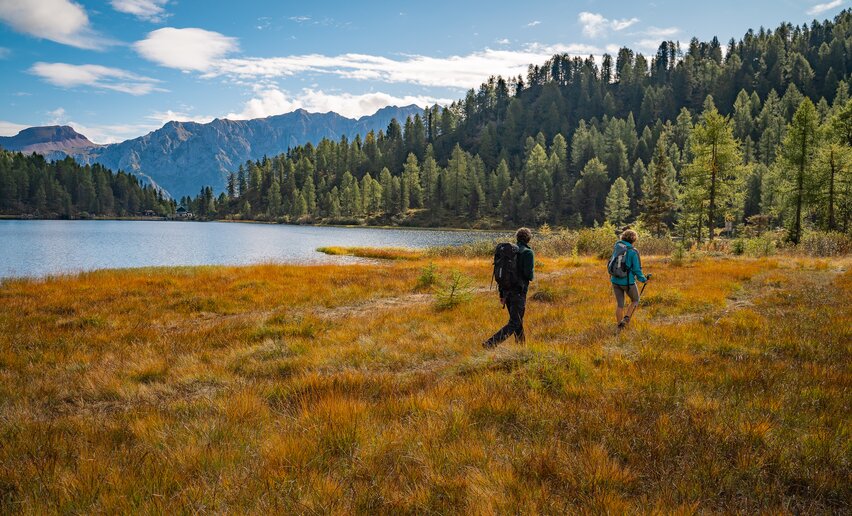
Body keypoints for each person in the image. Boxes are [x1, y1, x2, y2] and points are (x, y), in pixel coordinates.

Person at [483, 227, 534, 348]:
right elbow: (529, 275)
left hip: (506, 292)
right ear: (528, 239)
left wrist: (502, 294)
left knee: (517, 321)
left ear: (517, 238)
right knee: (515, 322)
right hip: (518, 292)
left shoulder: (510, 251)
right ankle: (490, 343)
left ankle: (521, 347)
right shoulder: (527, 252)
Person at [609, 229, 651, 329]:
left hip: (615, 280)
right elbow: (636, 269)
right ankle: (626, 319)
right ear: (633, 239)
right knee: (635, 300)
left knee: (620, 305)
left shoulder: (617, 247)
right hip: (628, 282)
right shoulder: (633, 252)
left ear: (623, 237)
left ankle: (619, 326)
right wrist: (644, 279)